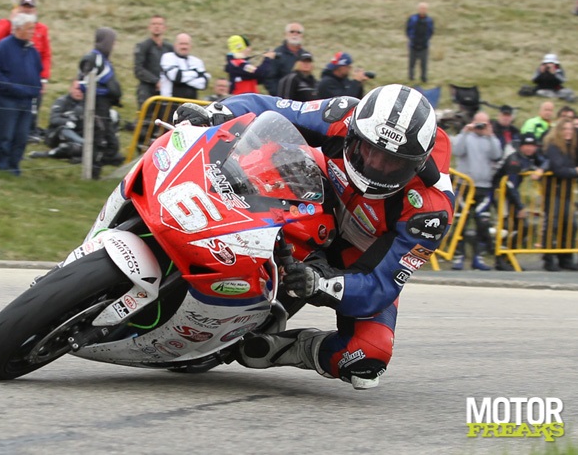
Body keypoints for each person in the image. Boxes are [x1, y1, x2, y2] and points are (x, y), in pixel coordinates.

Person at [172, 84, 454, 390]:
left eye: (392, 163)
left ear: (417, 164)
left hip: (356, 262)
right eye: (369, 151)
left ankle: (285, 349)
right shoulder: (344, 114)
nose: (375, 166)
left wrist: (322, 285)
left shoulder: (430, 212)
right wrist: (217, 112)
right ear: (354, 133)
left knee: (367, 356)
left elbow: (381, 286)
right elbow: (271, 106)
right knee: (268, 153)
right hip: (310, 197)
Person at [0, 12, 41, 175]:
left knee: (22, 136)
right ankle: (2, 165)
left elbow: (38, 71)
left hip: (27, 100)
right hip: (8, 99)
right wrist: (11, 87)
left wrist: (35, 89)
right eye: (29, 28)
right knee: (6, 134)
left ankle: (14, 165)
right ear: (18, 28)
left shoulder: (31, 50)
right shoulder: (3, 46)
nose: (32, 32)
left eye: (33, 28)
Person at [0, 0, 51, 140]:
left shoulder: (41, 29)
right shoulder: (7, 24)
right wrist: (12, 22)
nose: (27, 10)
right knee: (6, 112)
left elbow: (46, 54)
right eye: (24, 7)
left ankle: (28, 133)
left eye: (30, 7)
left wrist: (44, 78)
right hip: (10, 77)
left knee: (32, 108)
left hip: (32, 76)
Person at [451, 112, 503, 271]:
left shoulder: (491, 139)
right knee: (461, 222)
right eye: (478, 123)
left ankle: (477, 257)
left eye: (484, 124)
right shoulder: (466, 137)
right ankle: (458, 257)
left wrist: (491, 135)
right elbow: (457, 151)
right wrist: (465, 132)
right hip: (465, 186)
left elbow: (497, 155)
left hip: (484, 187)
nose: (481, 127)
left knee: (483, 222)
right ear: (473, 122)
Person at [490, 132, 548, 270]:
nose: (529, 148)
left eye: (532, 145)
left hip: (511, 193)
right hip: (500, 192)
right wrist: (520, 207)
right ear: (521, 146)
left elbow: (545, 161)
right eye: (526, 145)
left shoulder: (531, 157)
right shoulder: (514, 159)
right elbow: (510, 185)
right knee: (505, 225)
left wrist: (541, 169)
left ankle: (510, 255)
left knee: (523, 226)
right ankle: (500, 259)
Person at [78, 27, 124, 179]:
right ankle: (91, 174)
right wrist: (105, 93)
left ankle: (96, 170)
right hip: (95, 107)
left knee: (111, 143)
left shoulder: (105, 61)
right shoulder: (92, 58)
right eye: (112, 41)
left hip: (105, 107)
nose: (114, 45)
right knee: (97, 141)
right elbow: (84, 83)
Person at [541, 118, 578, 271]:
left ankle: (566, 257)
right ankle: (548, 258)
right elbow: (558, 169)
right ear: (559, 130)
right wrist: (574, 172)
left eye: (571, 129)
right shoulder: (553, 146)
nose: (568, 132)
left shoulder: (572, 147)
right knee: (552, 224)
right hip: (553, 191)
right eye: (565, 129)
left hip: (567, 191)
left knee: (570, 224)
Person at [30, 80, 85, 161]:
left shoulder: (87, 104)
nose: (80, 92)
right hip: (56, 135)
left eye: (83, 90)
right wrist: (68, 122)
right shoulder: (61, 101)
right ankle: (85, 144)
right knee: (64, 129)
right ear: (70, 89)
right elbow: (54, 119)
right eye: (77, 89)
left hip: (77, 134)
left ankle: (80, 149)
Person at [134, 15, 173, 110]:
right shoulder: (143, 46)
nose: (157, 26)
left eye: (159, 24)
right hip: (146, 89)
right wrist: (155, 81)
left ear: (164, 28)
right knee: (146, 119)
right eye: (154, 24)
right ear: (149, 27)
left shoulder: (169, 48)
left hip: (165, 90)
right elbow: (138, 69)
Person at [264, 23, 310, 96]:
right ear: (285, 34)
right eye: (292, 32)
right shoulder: (277, 54)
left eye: (298, 32)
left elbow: (309, 78)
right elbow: (270, 79)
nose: (295, 34)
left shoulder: (306, 55)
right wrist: (279, 97)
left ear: (302, 35)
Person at [159, 33, 210, 99]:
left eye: (186, 44)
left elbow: (203, 84)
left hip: (191, 104)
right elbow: (176, 77)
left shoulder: (197, 61)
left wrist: (182, 78)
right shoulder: (168, 57)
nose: (184, 47)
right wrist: (196, 73)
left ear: (191, 46)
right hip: (170, 103)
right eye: (181, 44)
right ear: (175, 45)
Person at [406, 2, 434, 83]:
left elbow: (431, 31)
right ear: (419, 9)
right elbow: (408, 29)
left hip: (424, 45)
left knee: (424, 63)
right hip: (413, 44)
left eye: (424, 8)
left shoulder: (429, 20)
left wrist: (426, 39)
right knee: (412, 62)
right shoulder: (412, 19)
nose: (423, 10)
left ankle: (424, 78)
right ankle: (411, 77)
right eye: (421, 8)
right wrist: (411, 38)